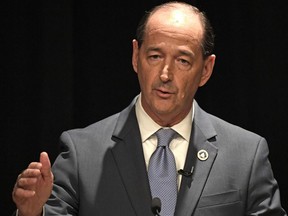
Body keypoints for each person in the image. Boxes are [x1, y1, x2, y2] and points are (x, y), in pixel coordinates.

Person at [12, 1, 286, 216]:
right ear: (136, 56)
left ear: (206, 70)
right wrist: (32, 212)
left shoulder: (247, 155)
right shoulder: (82, 153)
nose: (165, 74)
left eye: (182, 61)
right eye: (154, 56)